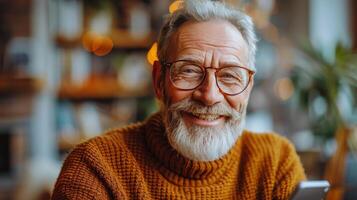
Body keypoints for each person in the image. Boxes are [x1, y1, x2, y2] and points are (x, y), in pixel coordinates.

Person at [51, 0, 306, 199]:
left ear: (248, 88)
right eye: (189, 71)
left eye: (229, 76)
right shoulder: (96, 169)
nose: (209, 95)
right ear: (159, 80)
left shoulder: (275, 163)